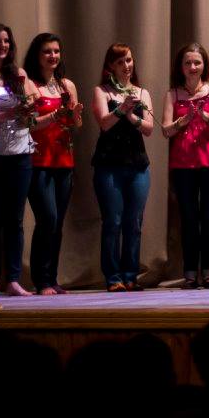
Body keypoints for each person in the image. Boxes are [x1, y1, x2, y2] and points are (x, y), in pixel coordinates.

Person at [0, 22, 38, 296]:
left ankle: (12, 279)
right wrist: (8, 114)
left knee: (15, 220)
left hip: (20, 155)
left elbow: (32, 112)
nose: (2, 46)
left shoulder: (18, 74)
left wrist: (28, 109)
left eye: (6, 41)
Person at [162, 42, 209, 289]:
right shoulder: (173, 94)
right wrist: (183, 121)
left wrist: (207, 117)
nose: (193, 67)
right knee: (189, 217)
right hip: (183, 162)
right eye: (188, 63)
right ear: (181, 67)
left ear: (204, 65)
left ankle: (208, 272)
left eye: (197, 63)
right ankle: (190, 273)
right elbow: (165, 130)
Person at [90, 43, 154, 291]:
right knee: (113, 221)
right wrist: (121, 108)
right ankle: (113, 277)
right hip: (109, 165)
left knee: (133, 223)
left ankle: (130, 275)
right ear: (110, 67)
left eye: (128, 60)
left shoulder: (142, 92)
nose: (126, 66)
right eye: (120, 62)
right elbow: (104, 124)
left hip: (137, 165)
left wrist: (131, 115)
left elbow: (148, 128)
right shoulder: (102, 91)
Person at [23, 33, 83, 295]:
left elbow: (76, 125)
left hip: (64, 160)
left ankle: (51, 278)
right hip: (39, 160)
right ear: (37, 55)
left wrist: (74, 115)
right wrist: (55, 115)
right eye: (47, 51)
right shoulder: (30, 84)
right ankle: (41, 280)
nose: (53, 56)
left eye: (56, 51)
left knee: (57, 223)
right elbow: (29, 123)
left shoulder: (66, 85)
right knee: (47, 218)